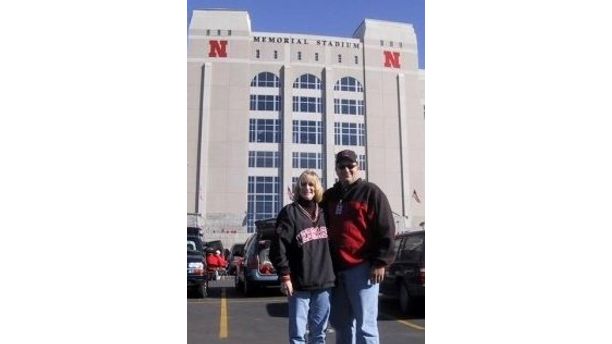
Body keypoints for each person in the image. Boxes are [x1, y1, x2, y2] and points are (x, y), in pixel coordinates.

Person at [321, 150, 396, 344]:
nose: (346, 170)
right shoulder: (330, 196)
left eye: (350, 166)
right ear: (336, 169)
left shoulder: (371, 192)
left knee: (366, 326)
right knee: (341, 323)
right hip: (336, 271)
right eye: (341, 166)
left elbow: (386, 228)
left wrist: (381, 262)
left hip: (363, 269)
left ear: (358, 166)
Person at [270, 170, 336, 344]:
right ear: (298, 188)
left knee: (319, 334)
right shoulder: (289, 212)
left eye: (311, 184)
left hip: (324, 282)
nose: (307, 188)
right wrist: (285, 276)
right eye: (303, 184)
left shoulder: (325, 212)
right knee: (298, 335)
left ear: (317, 188)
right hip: (299, 282)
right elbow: (278, 248)